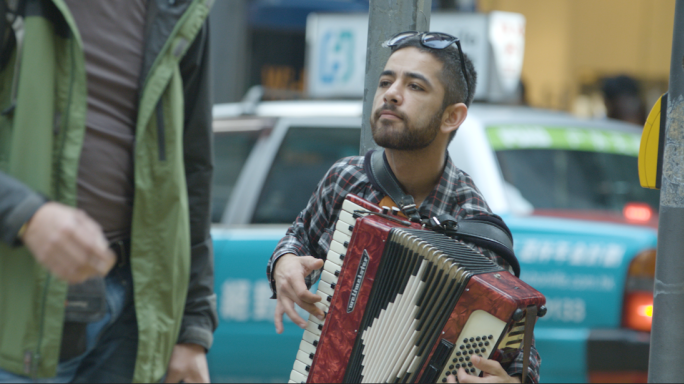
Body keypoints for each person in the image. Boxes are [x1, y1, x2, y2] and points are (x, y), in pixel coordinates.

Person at [267, 31, 541, 383]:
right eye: (386, 81)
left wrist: (513, 380)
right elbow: (298, 237)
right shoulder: (345, 179)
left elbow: (520, 350)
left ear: (451, 117)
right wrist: (284, 262)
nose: (391, 94)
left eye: (415, 87)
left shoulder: (477, 229)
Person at [0, 0, 217, 382]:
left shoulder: (182, 7)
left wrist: (191, 325)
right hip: (18, 303)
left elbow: (192, 168)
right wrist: (24, 213)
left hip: (133, 313)